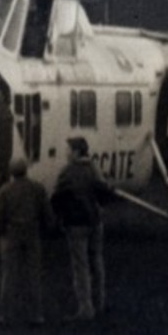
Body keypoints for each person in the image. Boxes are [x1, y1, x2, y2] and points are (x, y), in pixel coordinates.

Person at [51, 137, 114, 321]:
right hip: (95, 221)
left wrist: (59, 217)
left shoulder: (67, 172)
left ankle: (86, 308)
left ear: (77, 152)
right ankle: (99, 302)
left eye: (69, 149)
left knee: (81, 266)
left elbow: (56, 197)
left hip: (76, 224)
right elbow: (104, 192)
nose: (66, 152)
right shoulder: (94, 168)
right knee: (97, 261)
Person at [0, 157, 54, 328]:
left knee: (9, 276)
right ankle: (36, 315)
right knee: (33, 275)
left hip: (11, 235)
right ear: (26, 170)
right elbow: (47, 213)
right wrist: (48, 229)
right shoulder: (37, 188)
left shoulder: (5, 190)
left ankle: (4, 315)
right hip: (32, 234)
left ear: (11, 171)